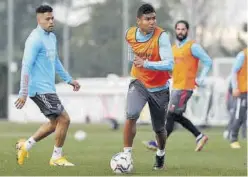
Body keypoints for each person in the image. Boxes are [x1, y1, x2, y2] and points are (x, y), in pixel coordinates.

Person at [15, 5, 80, 166]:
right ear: (39, 20)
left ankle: (25, 146)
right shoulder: (34, 39)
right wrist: (23, 92)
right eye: (47, 19)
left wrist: (69, 80)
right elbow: (26, 66)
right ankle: (56, 157)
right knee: (64, 119)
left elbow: (56, 61)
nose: (51, 21)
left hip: (48, 88)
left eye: (52, 18)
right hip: (38, 89)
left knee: (54, 123)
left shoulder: (51, 37)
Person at [143, 20, 212, 152]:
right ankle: (199, 136)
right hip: (176, 87)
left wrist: (202, 78)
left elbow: (208, 61)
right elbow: (171, 68)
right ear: (175, 31)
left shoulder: (193, 47)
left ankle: (158, 143)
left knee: (171, 114)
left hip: (186, 87)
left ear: (187, 31)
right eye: (178, 29)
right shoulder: (173, 49)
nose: (180, 31)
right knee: (176, 115)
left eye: (183, 29)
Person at [123, 4, 174, 170]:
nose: (152, 22)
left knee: (159, 129)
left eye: (154, 18)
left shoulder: (162, 37)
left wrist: (145, 63)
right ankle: (126, 155)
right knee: (131, 114)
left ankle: (160, 154)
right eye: (148, 19)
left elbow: (169, 64)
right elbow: (132, 51)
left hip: (159, 88)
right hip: (139, 82)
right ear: (139, 21)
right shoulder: (129, 34)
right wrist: (137, 62)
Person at [229, 48, 247, 149]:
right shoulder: (243, 55)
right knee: (239, 116)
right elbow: (234, 72)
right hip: (243, 91)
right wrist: (235, 87)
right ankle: (233, 139)